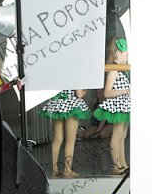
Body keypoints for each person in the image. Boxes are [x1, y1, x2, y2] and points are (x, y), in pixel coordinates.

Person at [94, 38, 130, 174]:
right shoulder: (114, 71)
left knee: (123, 135)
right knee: (117, 135)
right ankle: (116, 166)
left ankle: (123, 164)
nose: (128, 58)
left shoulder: (123, 70)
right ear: (118, 55)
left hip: (125, 106)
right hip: (118, 107)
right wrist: (125, 91)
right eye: (126, 55)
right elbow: (107, 93)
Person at [39, 89, 91, 177]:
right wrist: (86, 90)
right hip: (71, 104)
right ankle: (67, 170)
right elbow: (79, 94)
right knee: (70, 140)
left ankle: (54, 170)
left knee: (57, 139)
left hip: (57, 103)